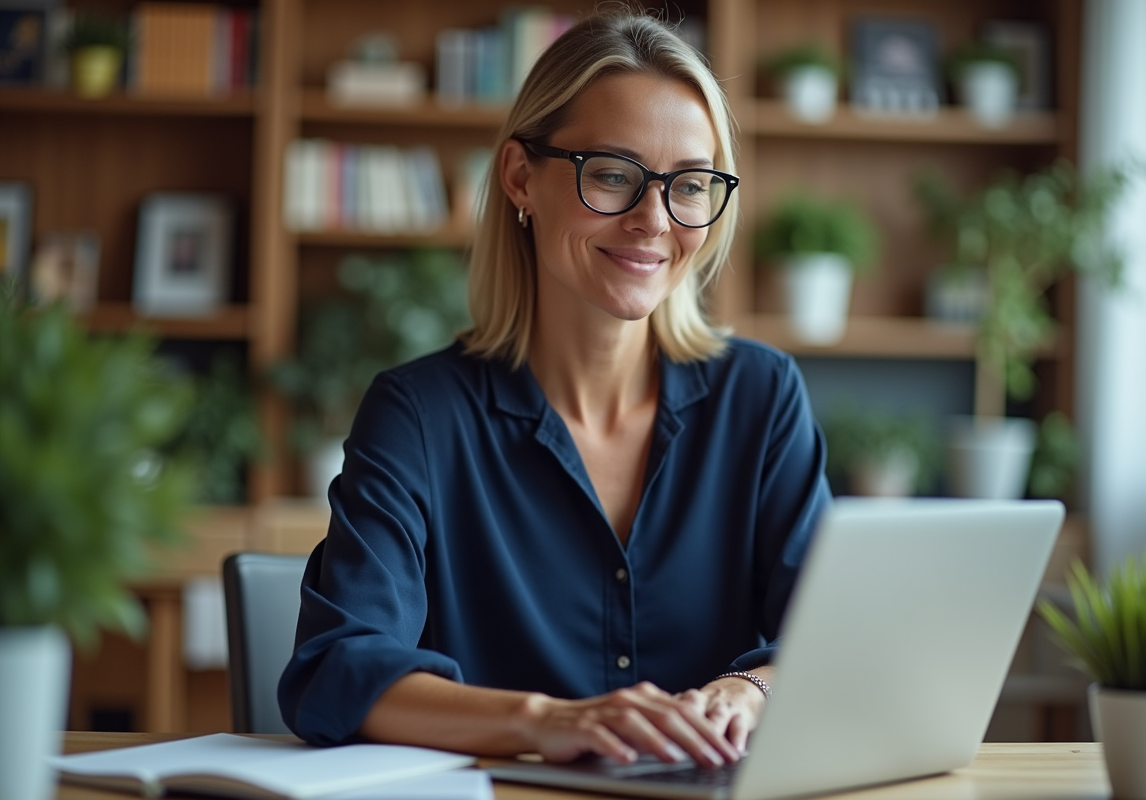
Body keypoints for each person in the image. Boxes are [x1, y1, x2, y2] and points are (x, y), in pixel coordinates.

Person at [277, 8, 831, 769]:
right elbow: (336, 671)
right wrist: (550, 722)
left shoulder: (761, 397)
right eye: (612, 174)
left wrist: (749, 692)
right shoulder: (420, 416)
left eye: (691, 185)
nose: (654, 219)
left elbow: (828, 646)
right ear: (519, 178)